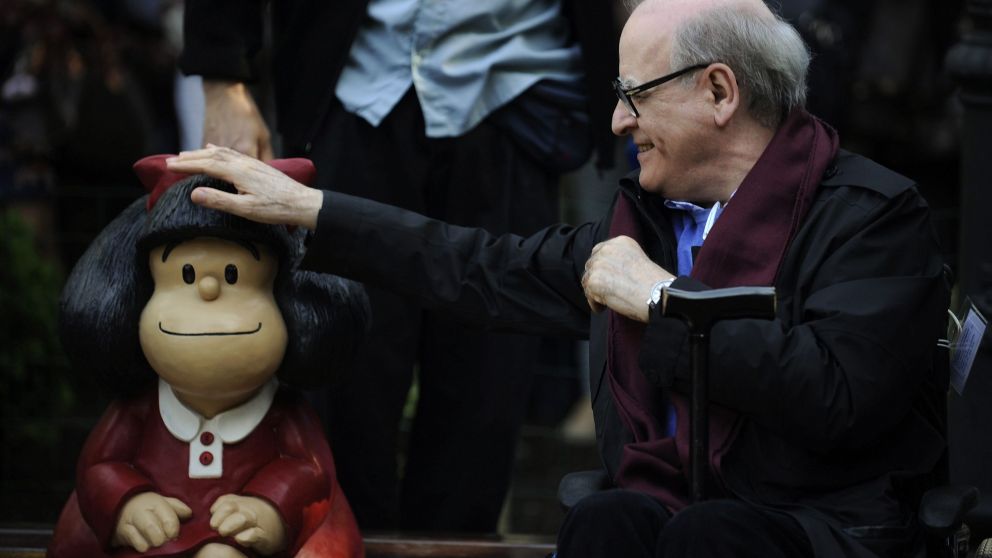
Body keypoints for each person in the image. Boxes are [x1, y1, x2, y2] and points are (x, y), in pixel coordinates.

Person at [167, 0, 949, 555]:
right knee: (609, 520)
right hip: (675, 519)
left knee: (708, 534)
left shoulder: (874, 214)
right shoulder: (644, 222)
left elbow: (837, 396)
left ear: (718, 91)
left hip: (817, 527)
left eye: (633, 96)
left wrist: (660, 301)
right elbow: (470, 264)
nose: (616, 123)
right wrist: (311, 209)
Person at [178, 0, 617, 532]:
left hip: (516, 95)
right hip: (350, 90)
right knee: (339, 371)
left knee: (486, 389)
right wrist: (223, 78)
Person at [49, 156, 367, 557]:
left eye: (234, 275)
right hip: (157, 541)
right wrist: (127, 501)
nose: (210, 290)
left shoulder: (282, 413)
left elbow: (310, 471)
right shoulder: (141, 409)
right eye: (185, 276)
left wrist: (270, 506)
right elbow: (99, 467)